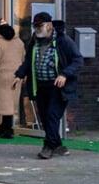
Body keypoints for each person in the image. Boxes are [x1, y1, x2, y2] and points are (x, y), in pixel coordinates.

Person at [15, 12, 82, 158]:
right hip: (40, 86)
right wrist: (19, 74)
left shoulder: (63, 40)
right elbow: (28, 61)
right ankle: (58, 145)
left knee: (52, 115)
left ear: (50, 25)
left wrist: (64, 74)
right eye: (35, 26)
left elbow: (78, 60)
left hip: (58, 87)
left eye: (40, 26)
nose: (37, 29)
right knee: (45, 117)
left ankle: (48, 146)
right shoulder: (34, 41)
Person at [0, 19, 24, 139]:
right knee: (11, 103)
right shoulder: (19, 42)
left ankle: (6, 129)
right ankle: (6, 126)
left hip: (1, 77)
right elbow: (23, 58)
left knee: (3, 103)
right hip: (16, 76)